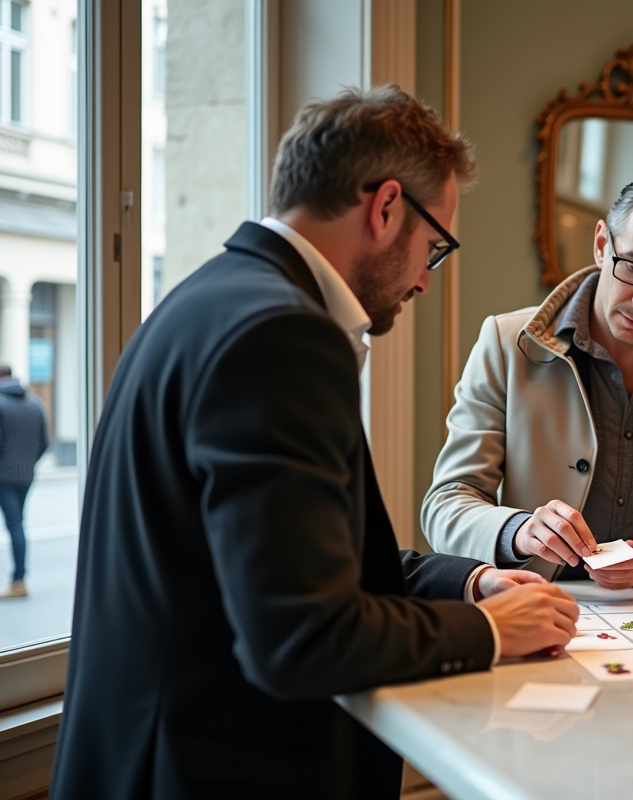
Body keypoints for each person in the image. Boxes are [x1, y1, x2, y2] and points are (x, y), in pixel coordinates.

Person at [52, 86, 579, 800]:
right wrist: (485, 629)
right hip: (212, 771)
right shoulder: (283, 334)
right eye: (435, 247)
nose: (426, 279)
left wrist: (469, 580)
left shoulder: (210, 299)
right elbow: (302, 635)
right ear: (385, 206)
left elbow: (298, 557)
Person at [423, 168, 633, 589]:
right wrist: (519, 531)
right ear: (601, 245)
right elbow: (446, 504)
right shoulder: (505, 344)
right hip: (530, 600)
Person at [0, 365, 49, 599]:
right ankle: (19, 579)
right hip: (26, 475)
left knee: (14, 525)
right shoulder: (35, 403)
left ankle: (18, 581)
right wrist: (28, 463)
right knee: (17, 524)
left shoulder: (0, 404)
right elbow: (44, 443)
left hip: (4, 476)